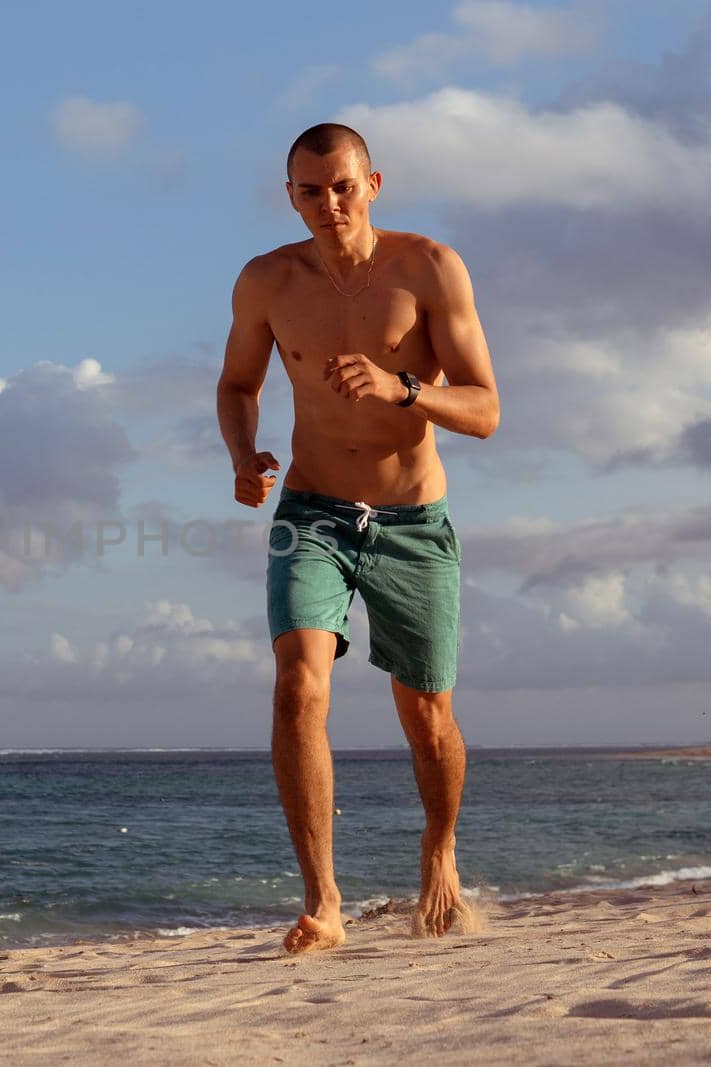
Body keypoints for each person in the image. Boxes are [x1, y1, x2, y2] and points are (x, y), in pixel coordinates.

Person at [216, 123, 499, 952]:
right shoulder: (267, 281)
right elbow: (238, 382)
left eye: (342, 186)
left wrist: (404, 388)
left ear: (372, 182)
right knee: (299, 686)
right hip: (311, 512)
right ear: (290, 195)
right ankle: (324, 903)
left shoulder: (430, 269)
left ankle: (439, 846)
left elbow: (486, 408)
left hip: (413, 521)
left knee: (428, 715)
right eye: (311, 191)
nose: (329, 204)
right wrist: (243, 454)